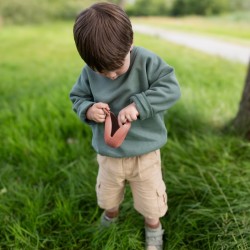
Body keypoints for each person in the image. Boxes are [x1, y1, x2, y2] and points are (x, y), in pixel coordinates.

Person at [69, 2, 181, 250]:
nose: (110, 76)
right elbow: (77, 97)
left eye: (116, 68)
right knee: (108, 195)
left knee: (150, 200)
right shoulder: (89, 71)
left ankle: (153, 228)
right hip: (109, 156)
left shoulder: (146, 62)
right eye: (101, 70)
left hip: (145, 154)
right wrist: (88, 109)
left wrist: (140, 105)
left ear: (130, 44)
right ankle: (111, 215)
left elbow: (171, 89)